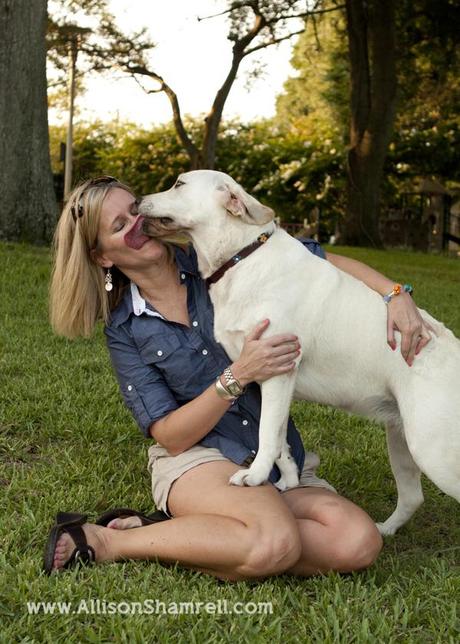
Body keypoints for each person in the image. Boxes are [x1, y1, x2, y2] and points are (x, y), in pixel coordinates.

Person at [46, 176, 431, 580]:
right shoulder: (125, 329)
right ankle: (109, 541)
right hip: (198, 457)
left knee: (358, 542)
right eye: (120, 226)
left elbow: (320, 260)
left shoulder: (219, 253)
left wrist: (395, 293)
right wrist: (239, 374)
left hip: (269, 453)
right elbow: (171, 435)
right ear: (103, 257)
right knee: (273, 541)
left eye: (133, 209)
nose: (137, 222)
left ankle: (201, 533)